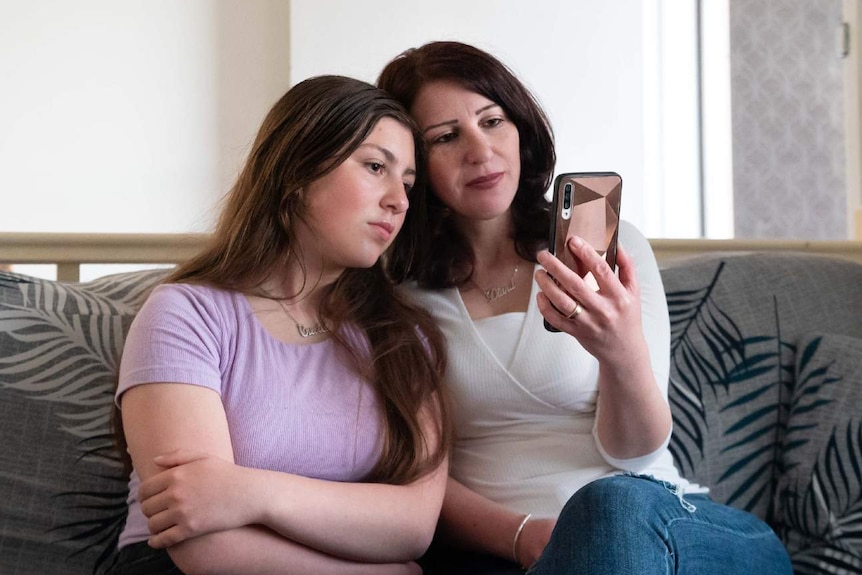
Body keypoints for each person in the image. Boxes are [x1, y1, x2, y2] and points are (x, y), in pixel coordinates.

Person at [377, 41, 792, 575]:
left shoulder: (607, 252)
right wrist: (522, 536)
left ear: (521, 127)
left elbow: (636, 456)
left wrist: (620, 354)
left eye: (493, 120)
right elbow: (415, 477)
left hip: (656, 526)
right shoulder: (400, 298)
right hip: (507, 552)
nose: (481, 151)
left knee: (607, 504)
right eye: (447, 137)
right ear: (412, 162)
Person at [109, 75, 450, 575]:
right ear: (296, 173)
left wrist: (248, 492)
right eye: (376, 167)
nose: (398, 199)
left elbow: (414, 525)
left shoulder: (403, 338)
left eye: (408, 183)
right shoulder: (186, 314)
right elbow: (201, 544)